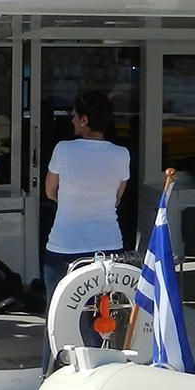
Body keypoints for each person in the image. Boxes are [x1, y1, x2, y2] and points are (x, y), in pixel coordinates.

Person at [40, 89, 131, 299]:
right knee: (104, 311)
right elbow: (117, 197)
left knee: (59, 310)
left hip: (66, 243)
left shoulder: (63, 149)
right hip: (108, 243)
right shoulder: (121, 154)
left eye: (74, 115)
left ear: (84, 120)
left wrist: (70, 201)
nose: (71, 120)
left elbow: (50, 191)